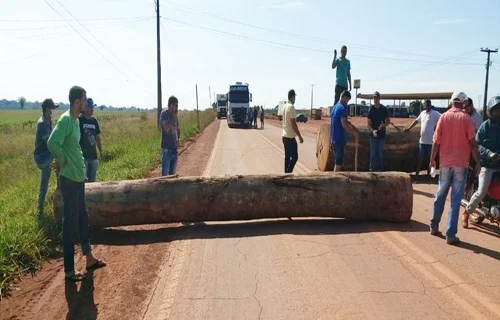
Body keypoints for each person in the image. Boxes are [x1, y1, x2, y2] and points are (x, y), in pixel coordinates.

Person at [47, 85, 106, 281]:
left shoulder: (75, 121)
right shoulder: (65, 120)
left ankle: (89, 258)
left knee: (82, 218)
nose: (86, 103)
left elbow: (70, 145)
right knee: (69, 223)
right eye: (84, 99)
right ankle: (69, 271)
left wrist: (65, 157)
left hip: (78, 177)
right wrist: (62, 159)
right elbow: (52, 142)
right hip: (69, 179)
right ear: (77, 101)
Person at [429, 91, 480, 245]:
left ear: (451, 102)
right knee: (456, 200)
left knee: (440, 195)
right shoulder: (467, 119)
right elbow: (472, 143)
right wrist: (477, 161)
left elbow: (436, 142)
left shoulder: (443, 117)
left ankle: (433, 225)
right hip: (461, 165)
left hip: (445, 164)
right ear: (463, 103)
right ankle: (450, 235)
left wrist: (432, 160)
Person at [461, 96, 500, 228]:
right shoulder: (485, 126)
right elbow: (477, 144)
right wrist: (489, 153)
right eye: (496, 110)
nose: (498, 113)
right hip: (487, 165)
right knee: (482, 190)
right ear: (490, 111)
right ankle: (467, 212)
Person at [34, 98, 59, 214]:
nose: (54, 111)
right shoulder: (42, 123)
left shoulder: (49, 120)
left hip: (47, 154)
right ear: (47, 109)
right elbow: (49, 143)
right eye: (53, 108)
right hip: (43, 157)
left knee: (47, 179)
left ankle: (60, 194)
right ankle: (40, 210)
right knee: (44, 183)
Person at [404, 99, 441, 177]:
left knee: (430, 159)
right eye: (426, 105)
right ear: (424, 106)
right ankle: (417, 173)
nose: (427, 106)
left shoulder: (435, 113)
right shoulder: (422, 113)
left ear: (430, 105)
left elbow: (442, 118)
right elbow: (416, 121)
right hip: (422, 141)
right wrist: (409, 128)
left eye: (428, 105)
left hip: (431, 142)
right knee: (420, 158)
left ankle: (429, 174)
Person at [330, 90, 359, 171]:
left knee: (337, 162)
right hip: (339, 140)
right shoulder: (342, 108)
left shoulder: (335, 107)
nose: (347, 102)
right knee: (338, 164)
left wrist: (346, 121)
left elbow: (337, 120)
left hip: (333, 139)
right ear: (344, 97)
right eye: (348, 100)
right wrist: (353, 132)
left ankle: (333, 179)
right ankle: (335, 181)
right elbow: (344, 125)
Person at [79, 98, 102, 182]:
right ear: (85, 108)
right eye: (89, 107)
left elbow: (97, 138)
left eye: (92, 107)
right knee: (84, 181)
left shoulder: (94, 121)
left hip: (93, 156)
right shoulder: (79, 120)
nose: (92, 109)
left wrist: (101, 151)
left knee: (93, 182)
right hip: (83, 157)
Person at [367, 91, 390, 172]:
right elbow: (368, 124)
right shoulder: (371, 109)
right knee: (373, 155)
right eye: (374, 98)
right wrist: (373, 131)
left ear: (379, 98)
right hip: (373, 136)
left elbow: (388, 121)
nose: (375, 99)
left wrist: (383, 125)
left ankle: (381, 171)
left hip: (381, 136)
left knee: (380, 155)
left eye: (376, 98)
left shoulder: (384, 109)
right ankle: (372, 172)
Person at [282, 89, 304, 173]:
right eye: (295, 97)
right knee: (295, 157)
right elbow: (293, 123)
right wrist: (300, 136)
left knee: (287, 157)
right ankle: (288, 173)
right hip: (290, 137)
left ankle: (285, 174)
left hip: (284, 135)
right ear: (293, 97)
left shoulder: (285, 106)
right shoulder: (291, 107)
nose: (295, 99)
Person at [160, 95, 180, 176]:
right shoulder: (164, 114)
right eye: (176, 105)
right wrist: (173, 118)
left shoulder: (175, 117)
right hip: (167, 150)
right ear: (171, 105)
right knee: (165, 175)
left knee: (173, 176)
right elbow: (167, 128)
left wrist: (178, 139)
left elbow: (178, 129)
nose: (176, 108)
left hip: (174, 149)